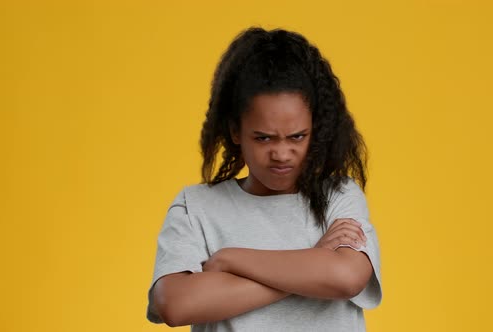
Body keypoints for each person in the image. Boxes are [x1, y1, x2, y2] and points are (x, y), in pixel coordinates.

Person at [145, 26, 383, 331]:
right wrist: (313, 262)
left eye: (297, 136)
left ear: (316, 129)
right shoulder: (197, 207)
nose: (282, 154)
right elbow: (175, 305)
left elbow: (346, 278)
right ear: (235, 131)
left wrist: (230, 260)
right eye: (264, 138)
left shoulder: (338, 195)